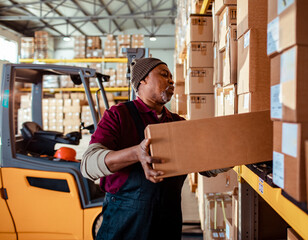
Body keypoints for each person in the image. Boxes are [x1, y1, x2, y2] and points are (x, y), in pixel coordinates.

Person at [81, 57, 229, 240]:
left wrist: (240, 152)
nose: (172, 81)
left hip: (167, 223)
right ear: (142, 79)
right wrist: (136, 153)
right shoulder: (118, 115)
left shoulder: (178, 124)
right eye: (164, 75)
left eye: (172, 77)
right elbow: (88, 165)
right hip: (125, 224)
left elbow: (207, 166)